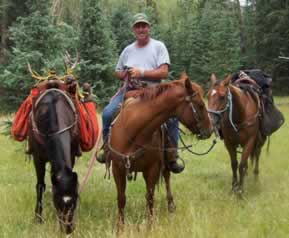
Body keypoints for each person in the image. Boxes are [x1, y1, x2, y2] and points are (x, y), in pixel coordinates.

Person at [97, 13, 184, 173]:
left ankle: (172, 156)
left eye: (144, 25)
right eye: (138, 26)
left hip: (153, 93)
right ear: (134, 29)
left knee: (172, 118)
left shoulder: (158, 46)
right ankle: (107, 149)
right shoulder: (128, 50)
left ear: (149, 28)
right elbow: (117, 71)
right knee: (108, 114)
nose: (141, 29)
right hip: (129, 91)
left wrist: (141, 72)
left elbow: (164, 72)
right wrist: (125, 74)